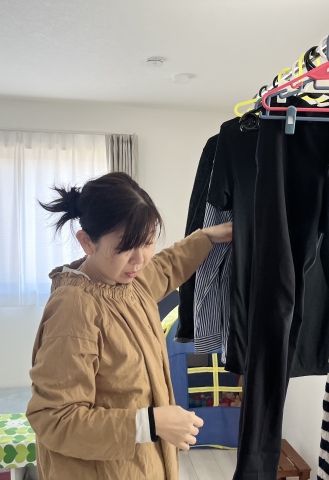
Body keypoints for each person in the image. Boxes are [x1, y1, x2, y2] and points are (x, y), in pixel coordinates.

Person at [26, 172, 232, 480]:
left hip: (142, 466)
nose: (140, 260)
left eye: (147, 242)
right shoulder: (75, 309)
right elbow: (54, 419)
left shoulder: (127, 283)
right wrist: (150, 423)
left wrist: (206, 237)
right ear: (86, 242)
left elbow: (167, 266)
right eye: (125, 247)